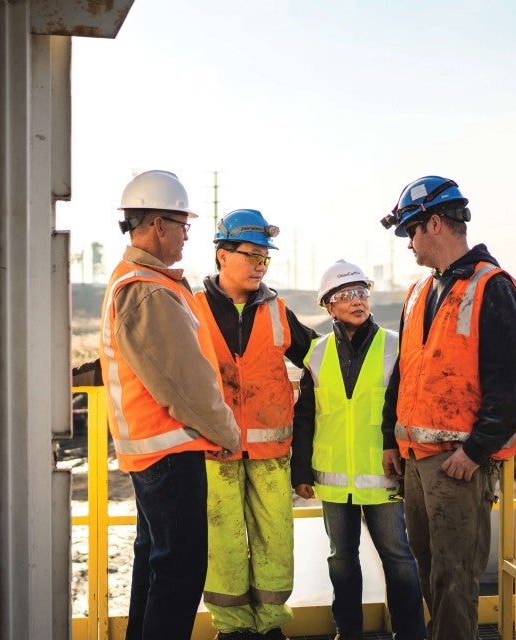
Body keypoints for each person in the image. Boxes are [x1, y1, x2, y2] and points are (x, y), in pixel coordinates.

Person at [379, 175, 516, 640]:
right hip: (415, 463)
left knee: (455, 581)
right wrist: (391, 439)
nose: (408, 244)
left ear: (434, 224)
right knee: (431, 575)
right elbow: (404, 375)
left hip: (457, 465)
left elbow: (512, 385)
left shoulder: (493, 286)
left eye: (411, 231)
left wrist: (476, 451)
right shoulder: (419, 293)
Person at [99, 170, 241, 640]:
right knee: (179, 574)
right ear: (158, 225)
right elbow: (184, 383)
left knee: (154, 565)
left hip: (150, 453)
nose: (186, 235)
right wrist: (225, 433)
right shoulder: (150, 289)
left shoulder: (133, 280)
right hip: (169, 454)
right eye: (183, 225)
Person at [194, 209, 318, 640]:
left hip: (270, 454)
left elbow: (320, 361)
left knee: (275, 542)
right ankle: (231, 629)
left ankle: (269, 626)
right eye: (251, 255)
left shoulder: (277, 309)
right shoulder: (191, 309)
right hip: (215, 449)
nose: (261, 264)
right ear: (222, 255)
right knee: (221, 542)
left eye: (265, 257)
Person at [291, 260, 427, 640]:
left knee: (398, 558)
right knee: (341, 560)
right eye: (345, 295)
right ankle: (347, 632)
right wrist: (300, 472)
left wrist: (396, 448)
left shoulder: (395, 346)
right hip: (333, 477)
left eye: (362, 293)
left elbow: (405, 405)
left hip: (383, 471)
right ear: (329, 306)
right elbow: (305, 417)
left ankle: (411, 633)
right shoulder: (316, 354)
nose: (357, 301)